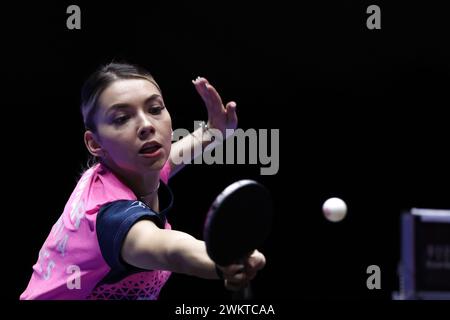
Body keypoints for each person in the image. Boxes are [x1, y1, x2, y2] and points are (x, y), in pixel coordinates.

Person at [20, 62, 266, 300]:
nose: (147, 125)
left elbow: (174, 155)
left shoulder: (131, 167)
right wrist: (222, 260)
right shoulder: (110, 217)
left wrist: (213, 131)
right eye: (121, 118)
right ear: (95, 143)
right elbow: (171, 251)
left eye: (155, 109)